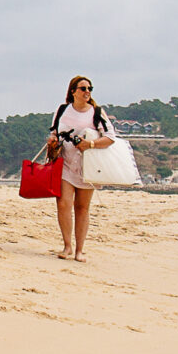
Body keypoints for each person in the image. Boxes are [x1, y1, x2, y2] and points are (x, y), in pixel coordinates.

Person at [51, 77, 116, 262]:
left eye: (90, 88)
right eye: (83, 88)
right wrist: (52, 141)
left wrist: (91, 144)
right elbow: (54, 131)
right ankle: (67, 246)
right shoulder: (62, 110)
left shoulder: (97, 112)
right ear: (73, 91)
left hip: (88, 166)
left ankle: (80, 249)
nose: (87, 92)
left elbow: (110, 137)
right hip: (64, 162)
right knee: (63, 204)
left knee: (82, 208)